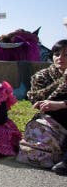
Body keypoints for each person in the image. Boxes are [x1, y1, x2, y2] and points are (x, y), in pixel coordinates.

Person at [17, 39, 67, 174]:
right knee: (37, 133)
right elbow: (35, 98)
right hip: (50, 118)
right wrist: (63, 80)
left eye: (66, 55)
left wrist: (61, 104)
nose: (60, 58)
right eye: (57, 54)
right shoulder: (41, 76)